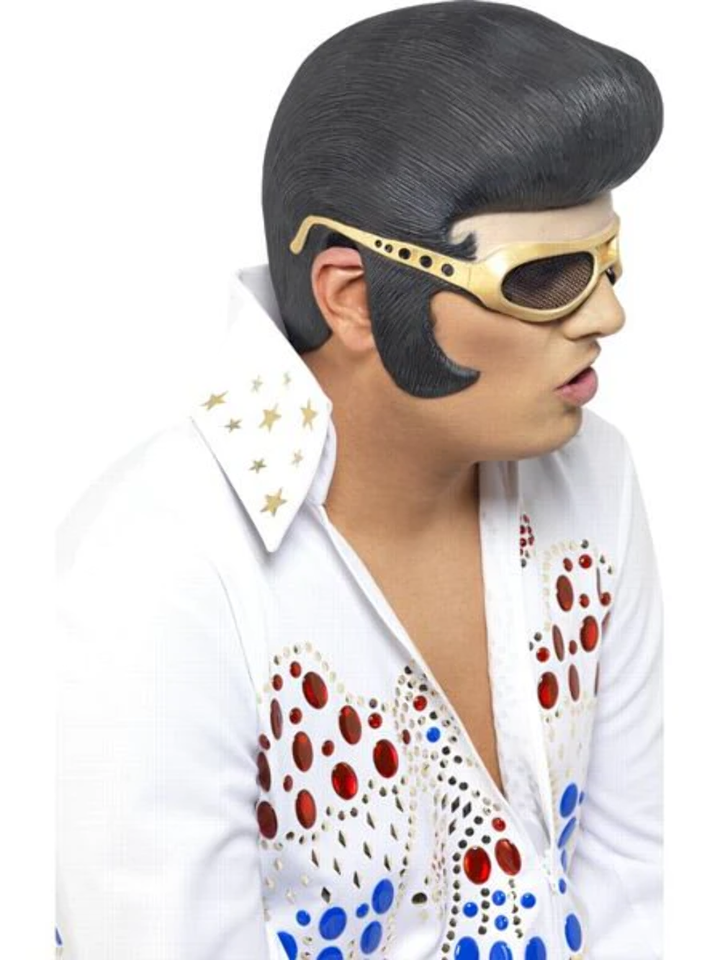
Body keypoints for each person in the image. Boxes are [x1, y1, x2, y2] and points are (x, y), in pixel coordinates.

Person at [56, 2, 664, 958]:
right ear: (354, 299)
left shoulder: (596, 478)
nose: (607, 317)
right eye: (545, 278)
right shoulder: (152, 567)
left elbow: (642, 881)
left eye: (609, 264)